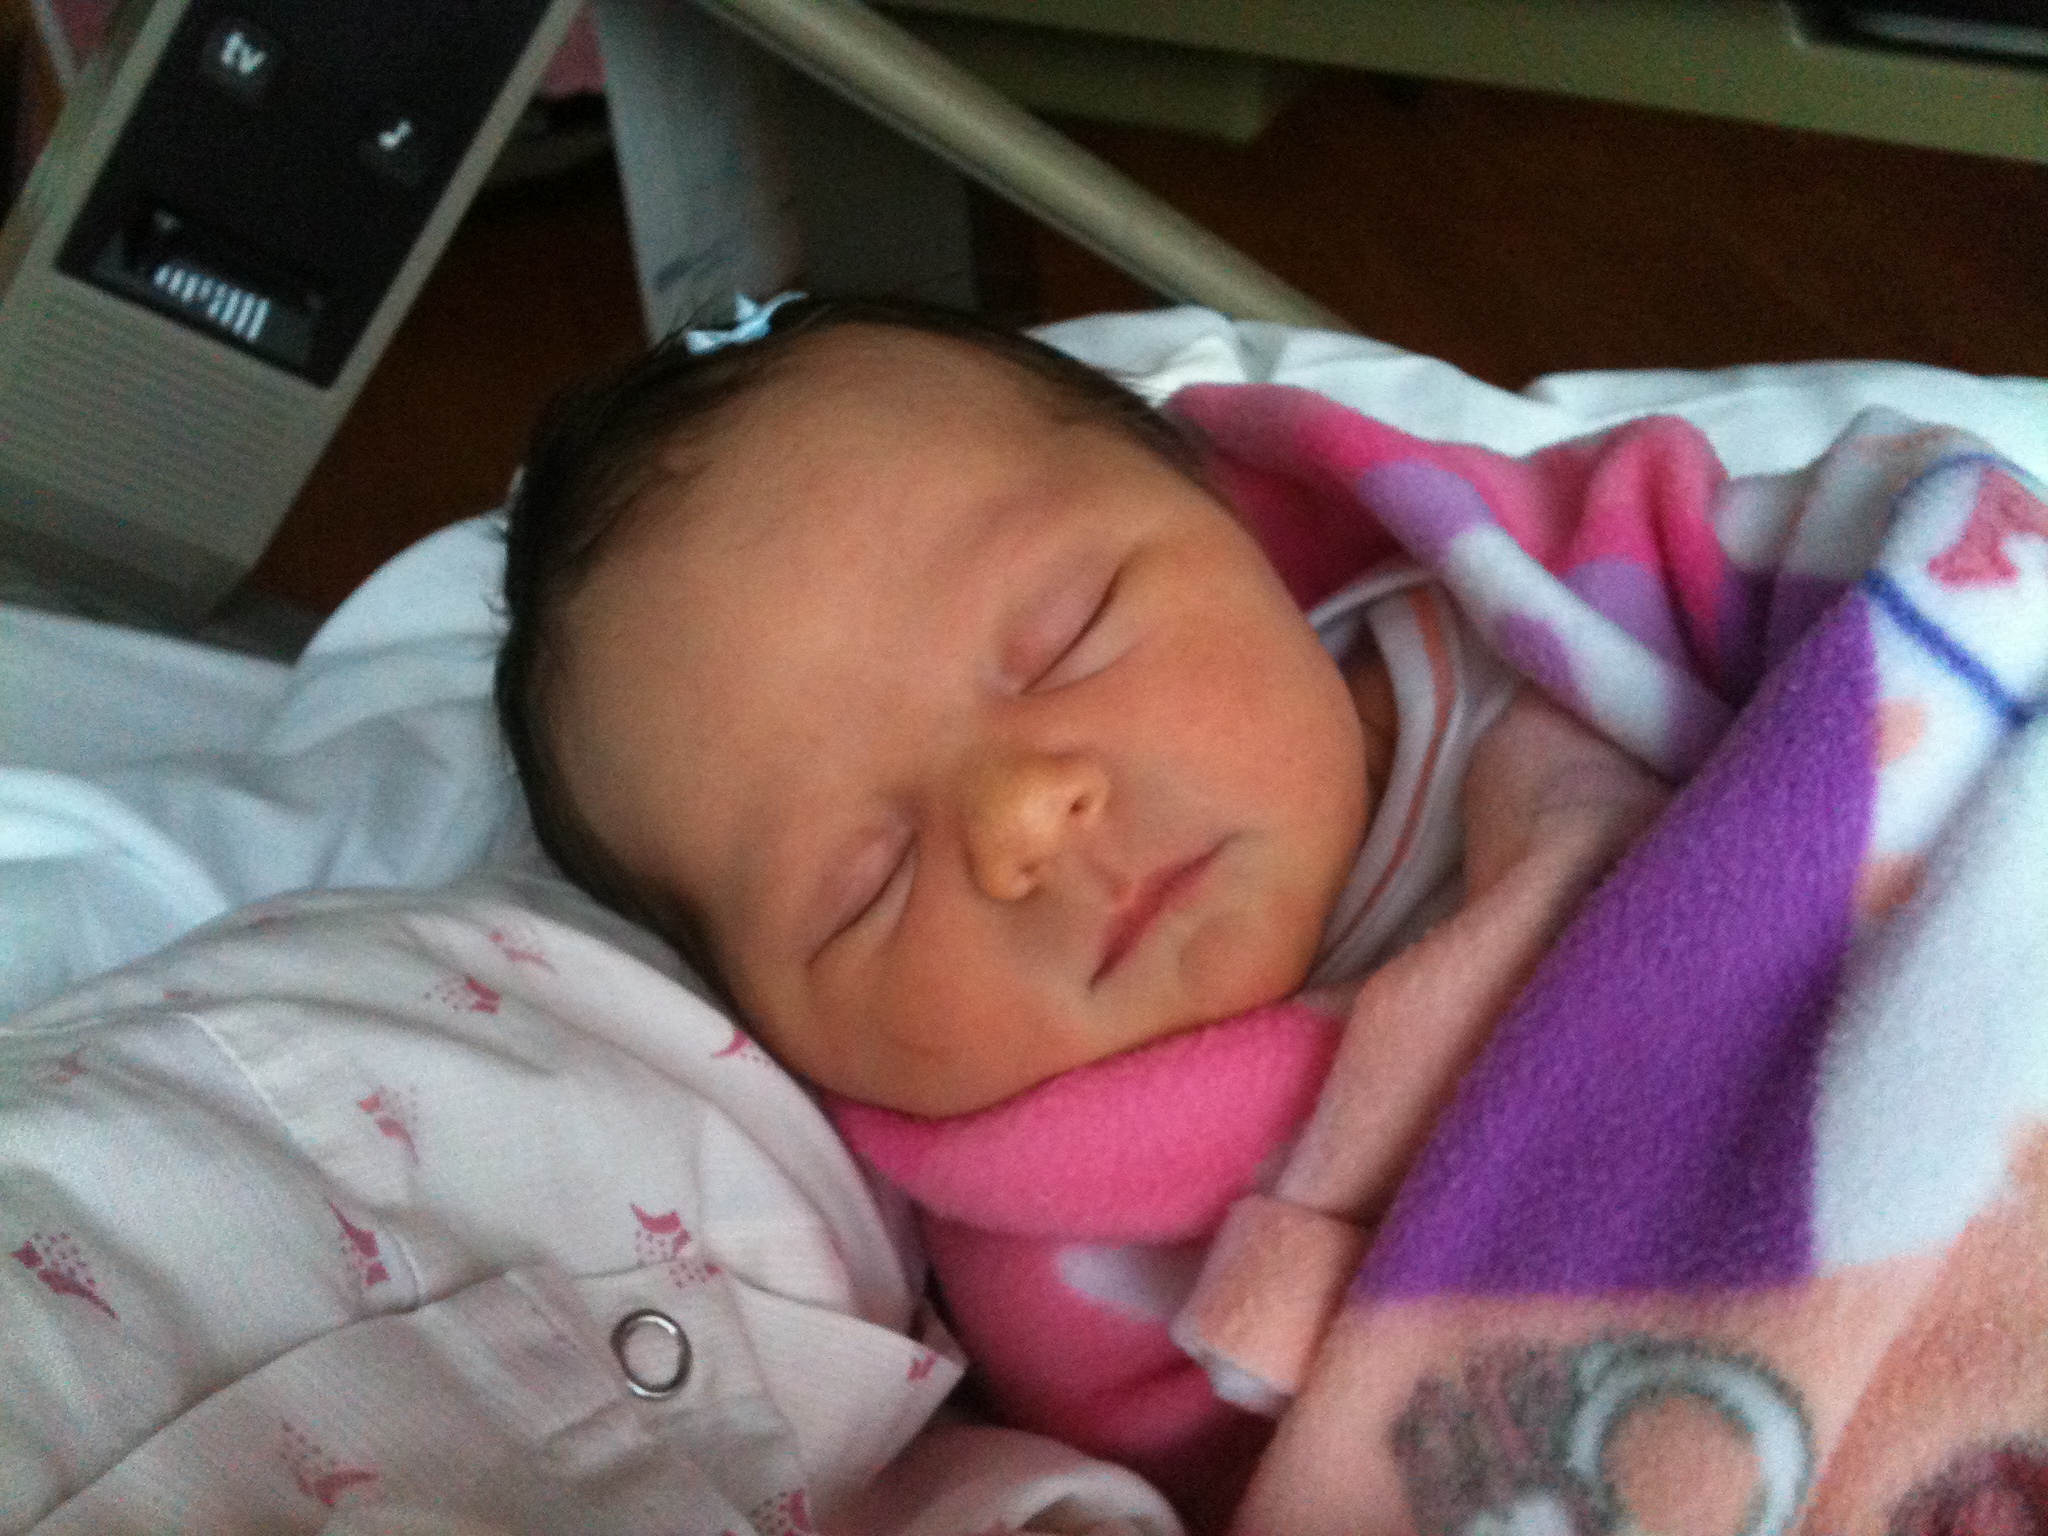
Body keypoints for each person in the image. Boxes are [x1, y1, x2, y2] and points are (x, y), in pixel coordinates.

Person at [494, 296, 1670, 1519]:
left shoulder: (1547, 625)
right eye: (863, 886)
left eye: (1070, 635)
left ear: (1229, 519)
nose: (1019, 814)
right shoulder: (1053, 1283)